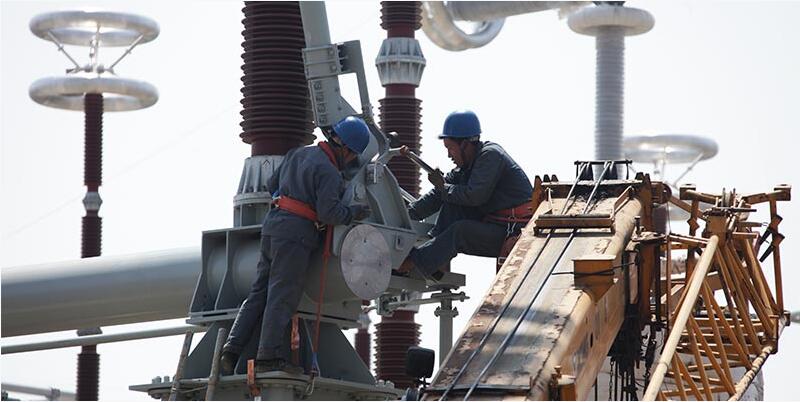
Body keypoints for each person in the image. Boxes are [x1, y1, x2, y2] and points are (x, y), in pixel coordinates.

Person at [220, 116, 372, 375]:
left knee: (259, 292)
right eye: (352, 156)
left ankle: (232, 347)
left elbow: (272, 185)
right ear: (346, 149)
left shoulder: (298, 154)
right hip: (295, 234)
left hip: (272, 226)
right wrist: (353, 212)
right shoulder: (329, 173)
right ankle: (268, 356)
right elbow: (329, 214)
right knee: (282, 294)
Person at [398, 110, 533, 279]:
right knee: (451, 203)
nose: (449, 155)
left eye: (450, 148)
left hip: (513, 230)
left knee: (460, 232)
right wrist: (405, 215)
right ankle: (432, 257)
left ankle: (410, 264)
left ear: (465, 144)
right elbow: (438, 195)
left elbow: (474, 196)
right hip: (496, 223)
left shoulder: (490, 155)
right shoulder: (466, 166)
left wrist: (443, 188)